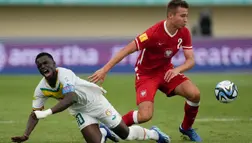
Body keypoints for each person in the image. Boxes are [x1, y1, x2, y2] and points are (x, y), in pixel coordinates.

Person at [88, 0, 201, 142]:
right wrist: (105, 69)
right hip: (146, 75)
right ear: (171, 16)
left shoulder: (184, 32)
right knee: (145, 115)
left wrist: (177, 69)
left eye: (187, 16)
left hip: (167, 71)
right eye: (182, 16)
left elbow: (190, 60)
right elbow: (125, 51)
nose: (186, 20)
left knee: (195, 94)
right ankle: (110, 127)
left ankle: (186, 128)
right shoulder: (152, 33)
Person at [11, 52, 171, 143]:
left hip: (96, 103)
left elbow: (70, 97)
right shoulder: (41, 89)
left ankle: (154, 134)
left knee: (126, 135)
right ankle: (103, 133)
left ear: (54, 63)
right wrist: (26, 134)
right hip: (80, 111)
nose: (43, 67)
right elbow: (34, 114)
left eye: (46, 63)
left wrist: (47, 113)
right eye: (40, 66)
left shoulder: (64, 74)